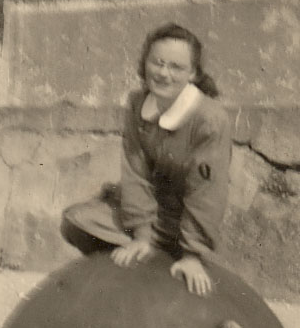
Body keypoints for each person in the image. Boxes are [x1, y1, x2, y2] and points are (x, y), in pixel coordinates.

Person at [61, 23, 232, 297]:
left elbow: (207, 192)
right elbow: (135, 172)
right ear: (145, 65)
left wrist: (192, 254)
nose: (163, 73)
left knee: (189, 261)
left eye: (176, 67)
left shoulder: (209, 119)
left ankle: (174, 259)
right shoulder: (137, 103)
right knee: (76, 222)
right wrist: (141, 235)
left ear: (193, 73)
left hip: (183, 221)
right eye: (157, 63)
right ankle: (143, 259)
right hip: (151, 219)